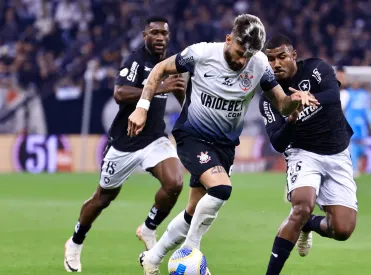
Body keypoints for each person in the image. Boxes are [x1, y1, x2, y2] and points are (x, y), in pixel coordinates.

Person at [127, 15, 318, 275]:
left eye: (248, 56)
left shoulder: (259, 64)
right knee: (221, 189)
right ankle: (191, 252)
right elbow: (160, 69)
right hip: (192, 136)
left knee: (193, 211)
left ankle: (153, 257)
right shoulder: (201, 53)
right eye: (239, 52)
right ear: (228, 39)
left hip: (225, 146)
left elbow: (282, 105)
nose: (242, 61)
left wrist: (295, 99)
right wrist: (142, 108)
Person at [64, 16, 187, 272]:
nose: (160, 38)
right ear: (145, 36)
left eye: (164, 33)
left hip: (155, 139)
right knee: (103, 198)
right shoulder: (136, 60)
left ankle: (148, 228)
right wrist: (160, 87)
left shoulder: (170, 62)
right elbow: (120, 93)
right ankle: (75, 242)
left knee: (175, 182)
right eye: (154, 33)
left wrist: (189, 112)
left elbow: (178, 90)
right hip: (124, 142)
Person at [259, 34, 357, 275]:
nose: (276, 64)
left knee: (342, 230)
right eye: (270, 60)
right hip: (303, 152)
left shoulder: (316, 68)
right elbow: (278, 143)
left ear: (293, 55)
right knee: (301, 207)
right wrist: (291, 118)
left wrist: (306, 97)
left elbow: (333, 96)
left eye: (281, 57)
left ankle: (309, 225)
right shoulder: (269, 97)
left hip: (337, 151)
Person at [343, 70, 371, 176]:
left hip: (361, 125)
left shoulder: (364, 94)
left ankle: (358, 165)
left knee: (361, 147)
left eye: (357, 81)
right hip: (350, 123)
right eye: (354, 81)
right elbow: (342, 109)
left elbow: (368, 110)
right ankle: (353, 168)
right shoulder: (347, 93)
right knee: (352, 145)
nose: (356, 83)